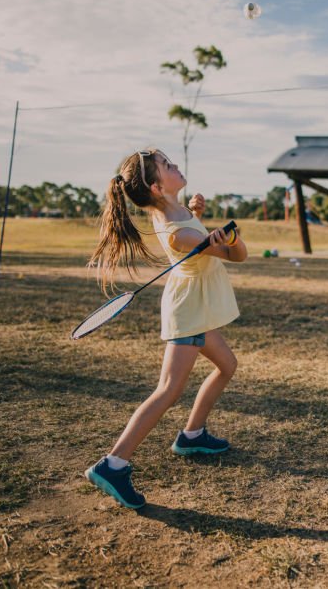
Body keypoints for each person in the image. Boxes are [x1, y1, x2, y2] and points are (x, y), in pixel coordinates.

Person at [84, 149, 247, 509]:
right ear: (157, 187)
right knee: (168, 389)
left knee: (227, 365)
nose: (176, 166)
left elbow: (186, 227)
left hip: (195, 308)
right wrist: (230, 240)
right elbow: (239, 256)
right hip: (189, 312)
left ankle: (192, 435)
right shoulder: (178, 233)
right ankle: (113, 464)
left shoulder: (175, 212)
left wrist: (197, 216)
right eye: (168, 166)